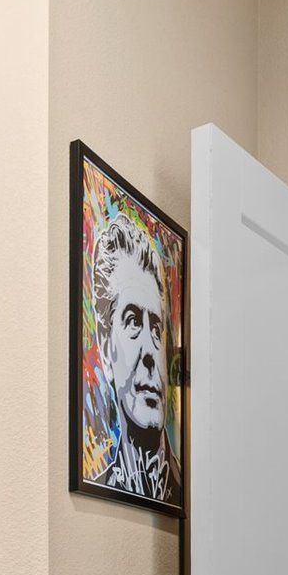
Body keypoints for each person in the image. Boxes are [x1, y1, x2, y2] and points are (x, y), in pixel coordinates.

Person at [88, 216, 180, 505]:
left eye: (155, 328)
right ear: (105, 347)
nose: (150, 352)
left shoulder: (194, 497)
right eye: (132, 322)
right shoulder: (106, 487)